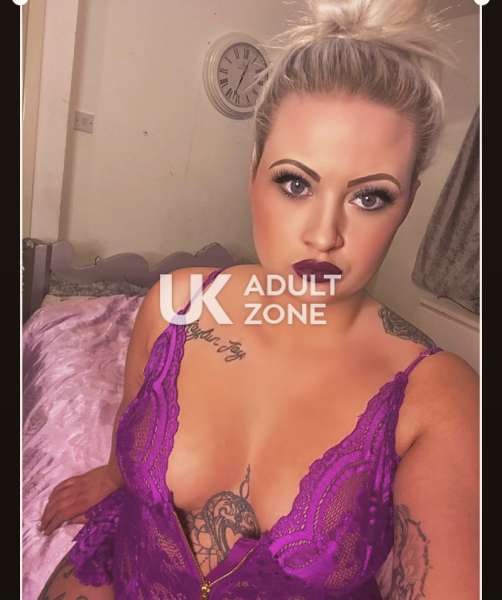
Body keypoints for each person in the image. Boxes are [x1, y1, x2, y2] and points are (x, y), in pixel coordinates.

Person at [37, 0, 479, 598]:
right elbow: (131, 411)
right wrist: (116, 474)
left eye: (370, 197)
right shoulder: (175, 304)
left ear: (408, 204)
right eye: (295, 183)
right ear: (253, 173)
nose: (323, 235)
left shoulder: (440, 398)